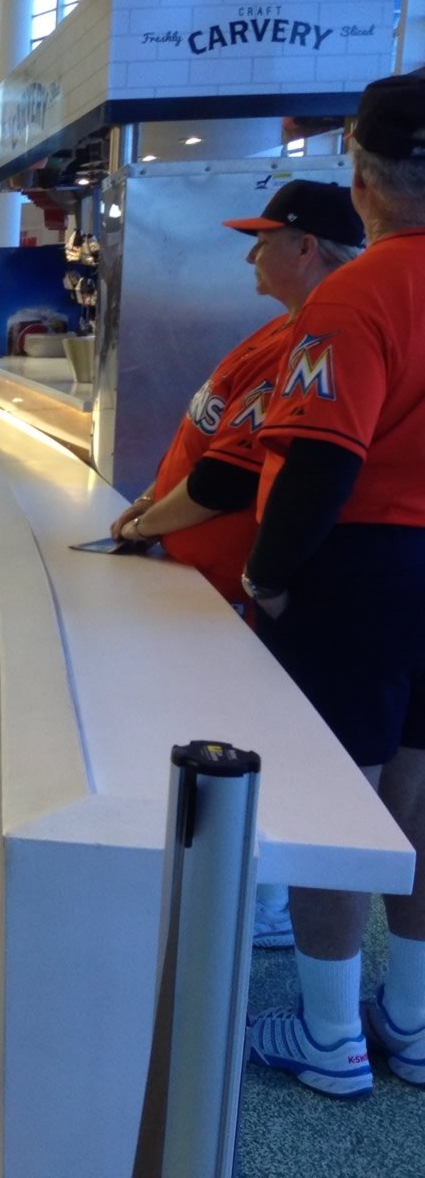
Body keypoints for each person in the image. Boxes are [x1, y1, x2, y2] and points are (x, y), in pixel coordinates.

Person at [239, 70, 425, 1101]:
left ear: (360, 177)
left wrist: (269, 577)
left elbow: (321, 460)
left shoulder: (357, 292)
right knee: (418, 787)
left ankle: (327, 1035)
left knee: (336, 799)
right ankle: (410, 1018)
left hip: (361, 569)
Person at [110, 180, 365, 608]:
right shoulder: (279, 329)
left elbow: (227, 480)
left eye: (263, 243)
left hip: (222, 597)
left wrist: (144, 527)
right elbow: (203, 443)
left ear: (306, 249)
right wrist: (149, 500)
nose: (250, 256)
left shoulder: (306, 347)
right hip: (190, 576)